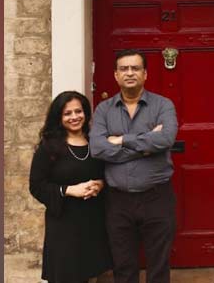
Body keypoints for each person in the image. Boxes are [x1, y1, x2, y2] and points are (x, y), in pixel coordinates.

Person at [89, 50, 179, 283]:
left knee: (158, 264)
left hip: (157, 197)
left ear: (145, 74)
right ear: (116, 75)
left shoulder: (163, 105)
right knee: (123, 264)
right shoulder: (103, 110)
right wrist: (146, 144)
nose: (130, 73)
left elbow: (166, 139)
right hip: (118, 200)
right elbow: (98, 148)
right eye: (124, 69)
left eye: (135, 68)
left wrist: (121, 140)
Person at [29, 91, 113, 283]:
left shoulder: (96, 142)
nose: (74, 117)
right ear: (59, 116)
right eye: (67, 113)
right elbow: (36, 186)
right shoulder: (48, 147)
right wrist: (68, 190)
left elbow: (107, 173)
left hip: (93, 221)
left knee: (93, 274)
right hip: (64, 224)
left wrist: (101, 184)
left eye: (79, 111)